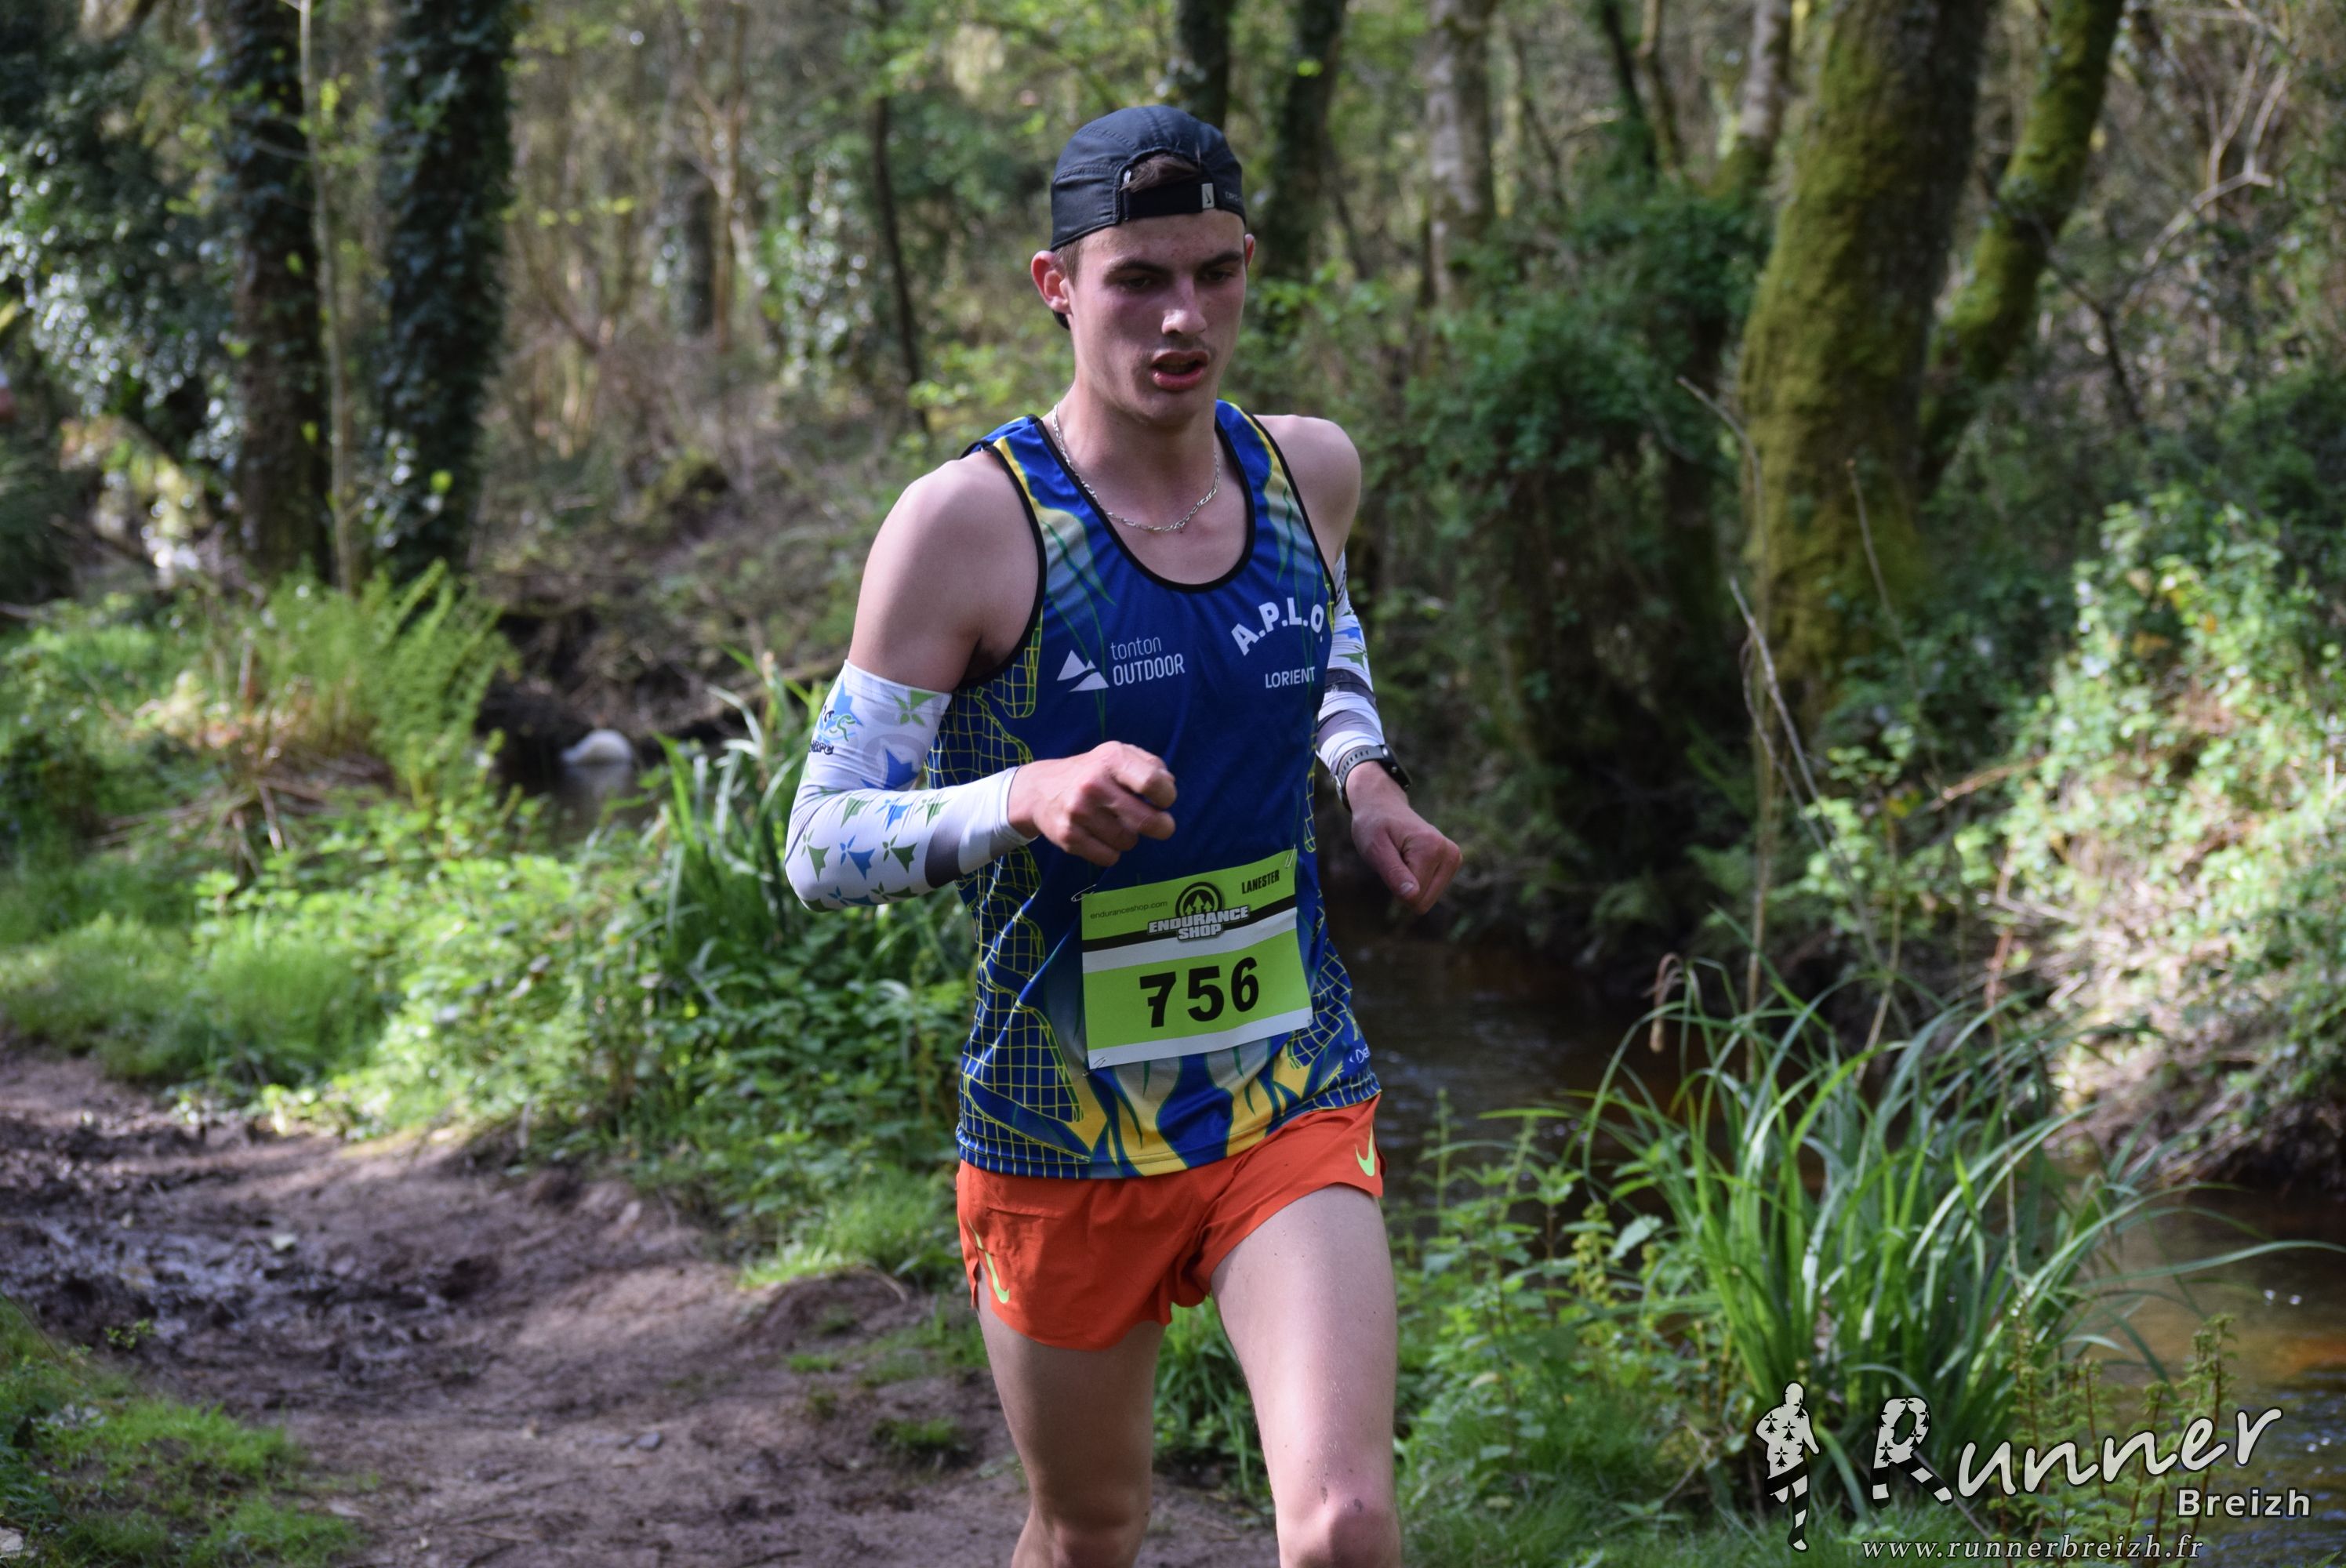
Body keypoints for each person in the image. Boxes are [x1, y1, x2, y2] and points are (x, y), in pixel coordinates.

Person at [784, 105, 1461, 1568]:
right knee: (1090, 1528)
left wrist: (1364, 775)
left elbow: (1320, 632)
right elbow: (820, 839)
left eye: (1215, 274)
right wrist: (1020, 795)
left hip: (1287, 1081)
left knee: (1345, 1525)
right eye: (1139, 279)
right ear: (1057, 284)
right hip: (1061, 1120)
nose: (1183, 318)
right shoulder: (967, 525)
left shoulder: (1306, 472)